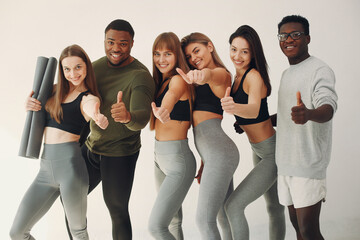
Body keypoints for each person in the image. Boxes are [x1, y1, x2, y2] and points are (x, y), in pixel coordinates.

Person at [10, 44, 109, 240]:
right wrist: (27, 104)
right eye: (67, 69)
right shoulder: (52, 92)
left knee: (78, 232)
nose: (73, 73)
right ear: (62, 71)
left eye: (78, 67)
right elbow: (36, 112)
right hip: (45, 171)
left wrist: (98, 117)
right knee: (17, 232)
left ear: (86, 67)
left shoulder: (87, 98)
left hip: (71, 171)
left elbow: (92, 107)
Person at [220, 25, 285, 240]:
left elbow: (254, 108)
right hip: (257, 149)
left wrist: (234, 109)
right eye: (233, 49)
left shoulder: (253, 76)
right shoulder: (236, 77)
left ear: (253, 53)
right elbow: (256, 115)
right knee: (274, 207)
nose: (237, 56)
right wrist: (241, 121)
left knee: (233, 206)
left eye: (244, 51)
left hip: (270, 153)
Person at [276, 15, 337, 240]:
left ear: (308, 38)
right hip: (285, 164)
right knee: (298, 228)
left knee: (309, 231)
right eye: (283, 35)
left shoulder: (319, 69)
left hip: (308, 164)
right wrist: (257, 121)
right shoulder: (286, 74)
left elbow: (328, 107)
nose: (288, 39)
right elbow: (287, 115)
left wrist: (309, 114)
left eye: (295, 34)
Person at [178, 32, 239, 240]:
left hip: (220, 152)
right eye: (188, 56)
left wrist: (203, 76)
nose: (193, 58)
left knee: (204, 221)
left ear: (210, 46)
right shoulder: (199, 75)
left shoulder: (220, 73)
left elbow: (213, 77)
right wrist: (205, 160)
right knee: (223, 216)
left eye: (197, 51)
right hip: (214, 154)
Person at [148, 32, 196, 240]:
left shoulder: (178, 80)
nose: (161, 59)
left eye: (167, 53)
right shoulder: (159, 83)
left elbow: (172, 96)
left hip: (178, 160)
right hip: (160, 158)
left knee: (156, 227)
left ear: (177, 55)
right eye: (157, 54)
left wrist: (164, 110)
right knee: (173, 221)